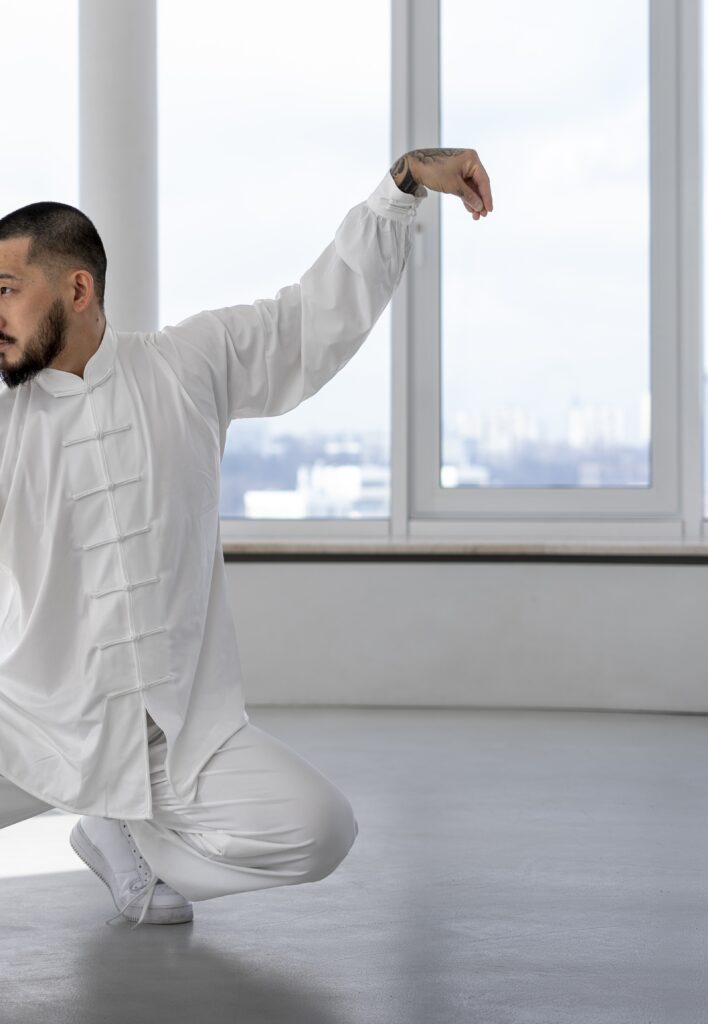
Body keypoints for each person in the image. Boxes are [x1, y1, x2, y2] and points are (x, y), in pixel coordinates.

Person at [0, 148, 493, 927]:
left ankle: (126, 838)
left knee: (319, 831)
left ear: (78, 289)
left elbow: (310, 322)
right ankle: (108, 813)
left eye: (5, 290)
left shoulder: (186, 366)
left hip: (172, 739)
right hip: (30, 724)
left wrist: (400, 189)